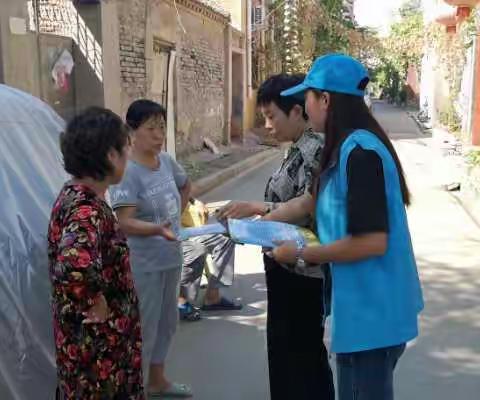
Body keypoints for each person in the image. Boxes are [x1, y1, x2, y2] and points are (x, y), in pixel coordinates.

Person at [268, 54, 424, 400]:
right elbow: (309, 202)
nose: (304, 107)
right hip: (358, 311)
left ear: (325, 100)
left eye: (307, 97)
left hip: (373, 316)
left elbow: (370, 242)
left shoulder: (361, 152)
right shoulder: (342, 146)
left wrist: (301, 253)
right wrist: (255, 223)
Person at [218, 74, 335, 400]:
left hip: (302, 268)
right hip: (286, 264)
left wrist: (259, 221)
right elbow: (291, 202)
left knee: (301, 357)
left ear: (297, 111)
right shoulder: (298, 147)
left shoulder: (315, 148)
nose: (267, 125)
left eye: (272, 116)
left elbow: (308, 207)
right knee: (288, 353)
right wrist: (257, 209)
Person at [47, 107, 144, 399]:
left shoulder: (75, 195)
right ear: (111, 156)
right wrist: (94, 298)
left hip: (91, 346)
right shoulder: (85, 208)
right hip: (99, 351)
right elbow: (74, 264)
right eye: (125, 150)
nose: (127, 158)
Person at [110, 100, 193, 398]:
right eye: (151, 129)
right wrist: (159, 229)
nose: (159, 135)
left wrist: (175, 219)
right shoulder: (128, 172)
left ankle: (157, 380)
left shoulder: (167, 161)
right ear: (133, 132)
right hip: (143, 263)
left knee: (168, 322)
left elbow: (186, 185)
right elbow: (124, 222)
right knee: (143, 327)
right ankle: (133, 389)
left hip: (171, 256)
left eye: (161, 127)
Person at [179, 198, 241, 321]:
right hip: (159, 234)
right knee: (196, 249)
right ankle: (181, 300)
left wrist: (195, 201)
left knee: (225, 238)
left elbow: (183, 186)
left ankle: (213, 297)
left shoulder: (167, 179)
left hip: (183, 230)